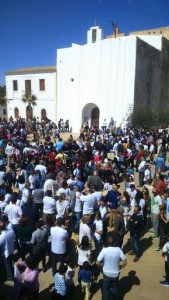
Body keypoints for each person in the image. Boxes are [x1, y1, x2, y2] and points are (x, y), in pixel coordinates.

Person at [96, 235, 127, 300]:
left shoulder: (104, 250)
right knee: (115, 287)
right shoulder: (118, 250)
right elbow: (125, 261)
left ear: (107, 242)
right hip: (116, 273)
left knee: (106, 289)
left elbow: (97, 262)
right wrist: (121, 266)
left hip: (106, 273)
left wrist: (101, 268)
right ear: (114, 242)